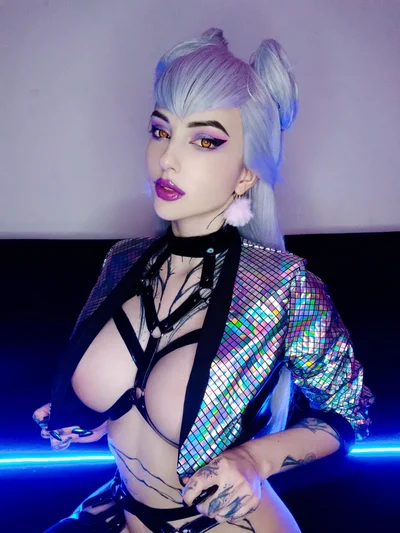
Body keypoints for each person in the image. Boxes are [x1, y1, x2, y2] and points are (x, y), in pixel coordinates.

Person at [33, 28, 374, 533]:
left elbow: (350, 412)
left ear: (246, 173)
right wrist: (86, 418)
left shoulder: (282, 285)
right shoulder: (122, 261)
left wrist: (254, 460)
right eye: (160, 131)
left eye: (205, 141)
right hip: (118, 510)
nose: (168, 158)